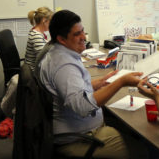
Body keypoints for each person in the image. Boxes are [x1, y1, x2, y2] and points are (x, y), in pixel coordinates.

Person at [38, 10, 143, 158]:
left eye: (83, 31)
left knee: (130, 128)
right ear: (61, 39)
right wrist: (120, 82)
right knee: (143, 149)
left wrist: (101, 82)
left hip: (77, 130)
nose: (83, 37)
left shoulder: (58, 54)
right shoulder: (64, 65)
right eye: (77, 34)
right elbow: (82, 106)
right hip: (78, 139)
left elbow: (73, 89)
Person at [25, 7, 53, 71]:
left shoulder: (38, 32)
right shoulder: (36, 36)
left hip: (37, 68)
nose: (52, 24)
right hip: (35, 72)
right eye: (50, 21)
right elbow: (43, 59)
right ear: (44, 20)